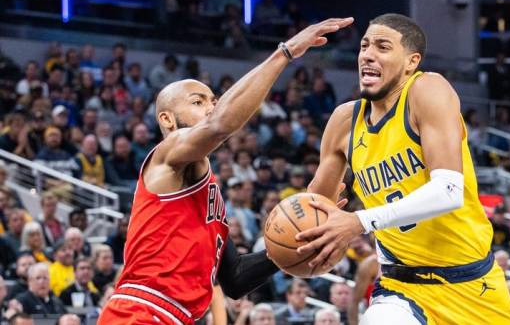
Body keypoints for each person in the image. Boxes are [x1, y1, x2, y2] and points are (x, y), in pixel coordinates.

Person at [97, 18, 353, 325]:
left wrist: (298, 242)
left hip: (175, 316)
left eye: (214, 101)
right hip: (141, 311)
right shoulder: (168, 155)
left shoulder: (207, 194)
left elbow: (235, 279)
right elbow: (220, 124)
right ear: (167, 119)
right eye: (198, 101)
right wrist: (285, 52)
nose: (210, 107)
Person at [300, 14, 510, 324]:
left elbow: (448, 191)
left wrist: (358, 221)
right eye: (364, 46)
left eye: (383, 47)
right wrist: (308, 235)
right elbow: (314, 208)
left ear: (411, 61)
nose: (368, 54)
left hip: (472, 284)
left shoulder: (427, 89)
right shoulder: (345, 121)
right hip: (400, 287)